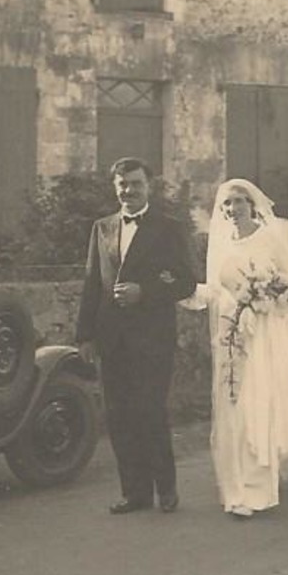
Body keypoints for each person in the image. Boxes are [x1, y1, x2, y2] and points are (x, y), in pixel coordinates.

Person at [185, 178, 288, 519]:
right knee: (232, 403)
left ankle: (259, 488)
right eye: (226, 204)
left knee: (257, 404)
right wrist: (185, 293)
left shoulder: (269, 236)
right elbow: (215, 288)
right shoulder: (221, 242)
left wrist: (265, 297)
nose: (232, 210)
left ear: (252, 204)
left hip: (264, 332)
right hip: (231, 330)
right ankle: (236, 488)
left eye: (238, 202)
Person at [77, 157, 199, 515]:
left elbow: (187, 281)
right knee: (119, 416)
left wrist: (144, 291)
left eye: (136, 184)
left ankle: (166, 489)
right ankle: (134, 492)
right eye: (123, 185)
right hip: (111, 339)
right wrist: (85, 335)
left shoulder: (168, 228)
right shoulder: (102, 227)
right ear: (114, 187)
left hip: (152, 339)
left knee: (150, 412)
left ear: (149, 186)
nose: (129, 190)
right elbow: (91, 285)